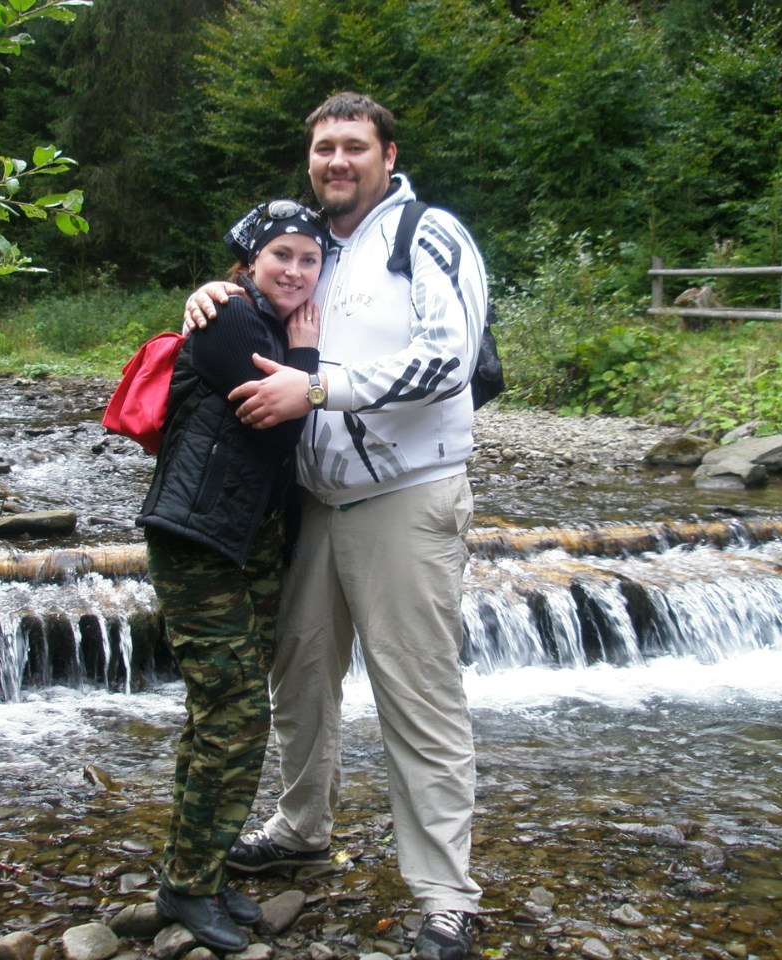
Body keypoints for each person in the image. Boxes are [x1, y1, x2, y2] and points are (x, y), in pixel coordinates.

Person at [184, 92, 488, 960]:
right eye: (324, 148)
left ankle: (444, 896)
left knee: (419, 697)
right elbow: (261, 291)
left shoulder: (427, 234)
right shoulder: (319, 247)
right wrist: (211, 293)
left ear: (388, 155)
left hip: (407, 499)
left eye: (354, 145)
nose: (337, 161)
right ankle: (300, 826)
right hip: (317, 502)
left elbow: (451, 357)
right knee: (301, 677)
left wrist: (318, 388)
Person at [138, 199, 329, 953]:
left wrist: (305, 353)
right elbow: (280, 423)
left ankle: (198, 870)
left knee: (217, 714)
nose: (295, 270)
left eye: (309, 259)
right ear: (250, 260)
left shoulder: (273, 320)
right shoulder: (230, 319)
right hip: (200, 539)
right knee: (238, 713)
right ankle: (188, 886)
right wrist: (307, 360)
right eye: (281, 255)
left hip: (249, 541)